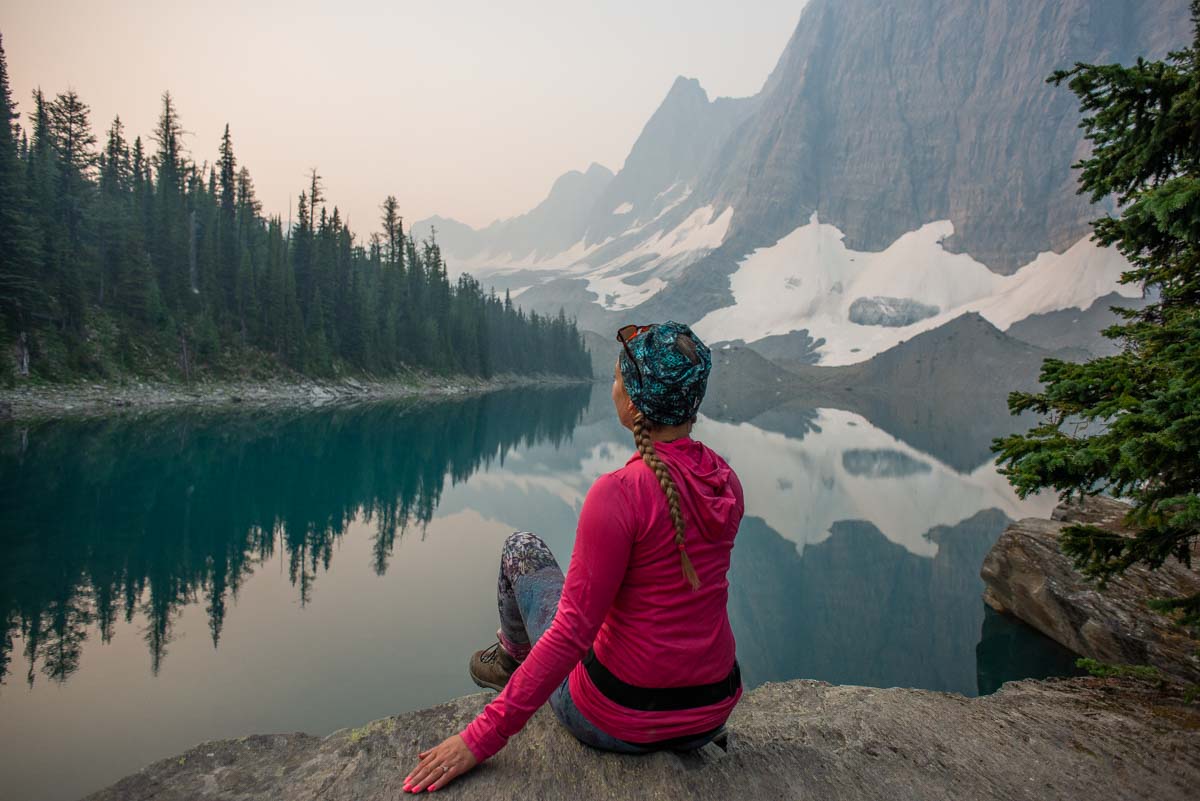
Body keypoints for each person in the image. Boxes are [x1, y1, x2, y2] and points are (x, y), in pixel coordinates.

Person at [404, 321, 745, 793]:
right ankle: (515, 660)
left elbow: (570, 634)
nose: (613, 388)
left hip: (615, 719)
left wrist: (478, 738)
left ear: (633, 403)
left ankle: (509, 660)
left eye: (617, 379)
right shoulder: (725, 482)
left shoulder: (619, 494)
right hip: (709, 712)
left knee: (522, 550)